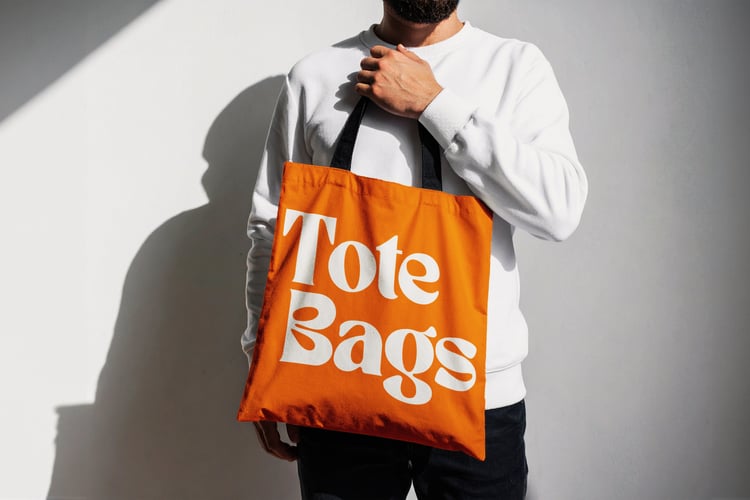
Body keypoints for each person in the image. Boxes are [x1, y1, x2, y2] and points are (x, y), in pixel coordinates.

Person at [241, 1, 589, 498]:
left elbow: (559, 212)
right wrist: (262, 360)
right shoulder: (315, 76)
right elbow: (273, 231)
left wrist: (436, 105)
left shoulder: (514, 66)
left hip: (476, 392)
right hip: (338, 379)